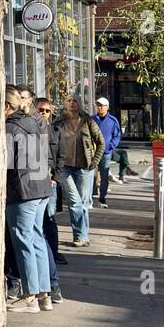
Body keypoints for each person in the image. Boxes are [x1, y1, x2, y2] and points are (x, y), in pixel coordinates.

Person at [5, 86, 55, 314]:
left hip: (23, 189)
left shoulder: (9, 127)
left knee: (24, 240)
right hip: (41, 187)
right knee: (35, 238)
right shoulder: (32, 122)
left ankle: (30, 297)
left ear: (5, 106)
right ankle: (44, 294)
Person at [53, 95, 105, 247]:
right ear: (65, 104)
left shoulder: (87, 121)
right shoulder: (59, 122)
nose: (72, 103)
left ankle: (82, 235)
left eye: (74, 101)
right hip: (64, 167)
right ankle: (80, 236)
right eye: (69, 101)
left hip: (84, 167)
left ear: (79, 104)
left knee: (82, 203)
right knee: (74, 201)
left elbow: (101, 142)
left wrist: (94, 162)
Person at [36, 94, 65, 297]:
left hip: (49, 181)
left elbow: (60, 156)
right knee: (40, 227)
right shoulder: (33, 130)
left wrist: (55, 176)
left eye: (47, 111)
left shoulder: (55, 131)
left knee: (49, 220)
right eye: (41, 110)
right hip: (37, 183)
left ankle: (53, 253)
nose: (44, 113)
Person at [94, 96, 122, 207]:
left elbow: (117, 135)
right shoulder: (91, 120)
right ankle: (89, 198)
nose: (100, 108)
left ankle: (102, 198)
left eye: (102, 106)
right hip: (92, 153)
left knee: (104, 176)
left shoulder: (112, 121)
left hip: (106, 153)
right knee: (91, 175)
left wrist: (111, 146)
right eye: (98, 105)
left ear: (107, 107)